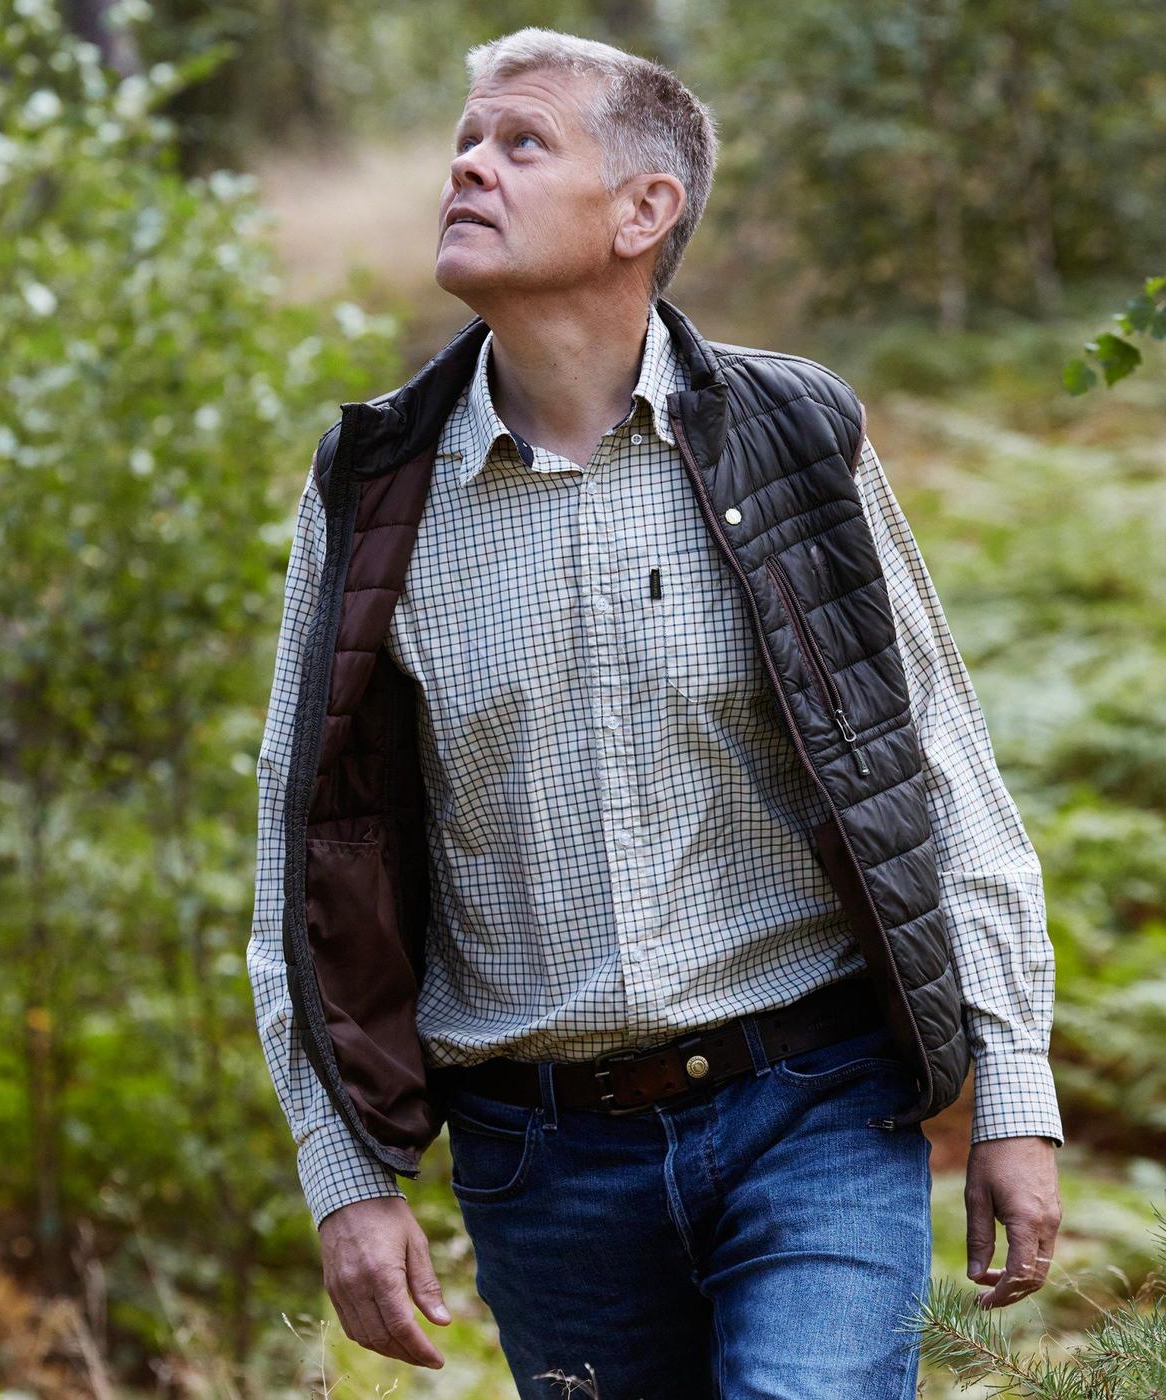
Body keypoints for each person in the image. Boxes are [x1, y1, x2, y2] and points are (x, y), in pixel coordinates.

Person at [250, 26, 1064, 1400]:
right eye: (465, 139)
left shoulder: (795, 432)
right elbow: (302, 843)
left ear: (645, 210)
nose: (469, 162)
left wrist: (1016, 1094)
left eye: (522, 141)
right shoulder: (372, 483)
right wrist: (348, 1175)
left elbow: (940, 767)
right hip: (538, 1157)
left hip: (815, 1107)